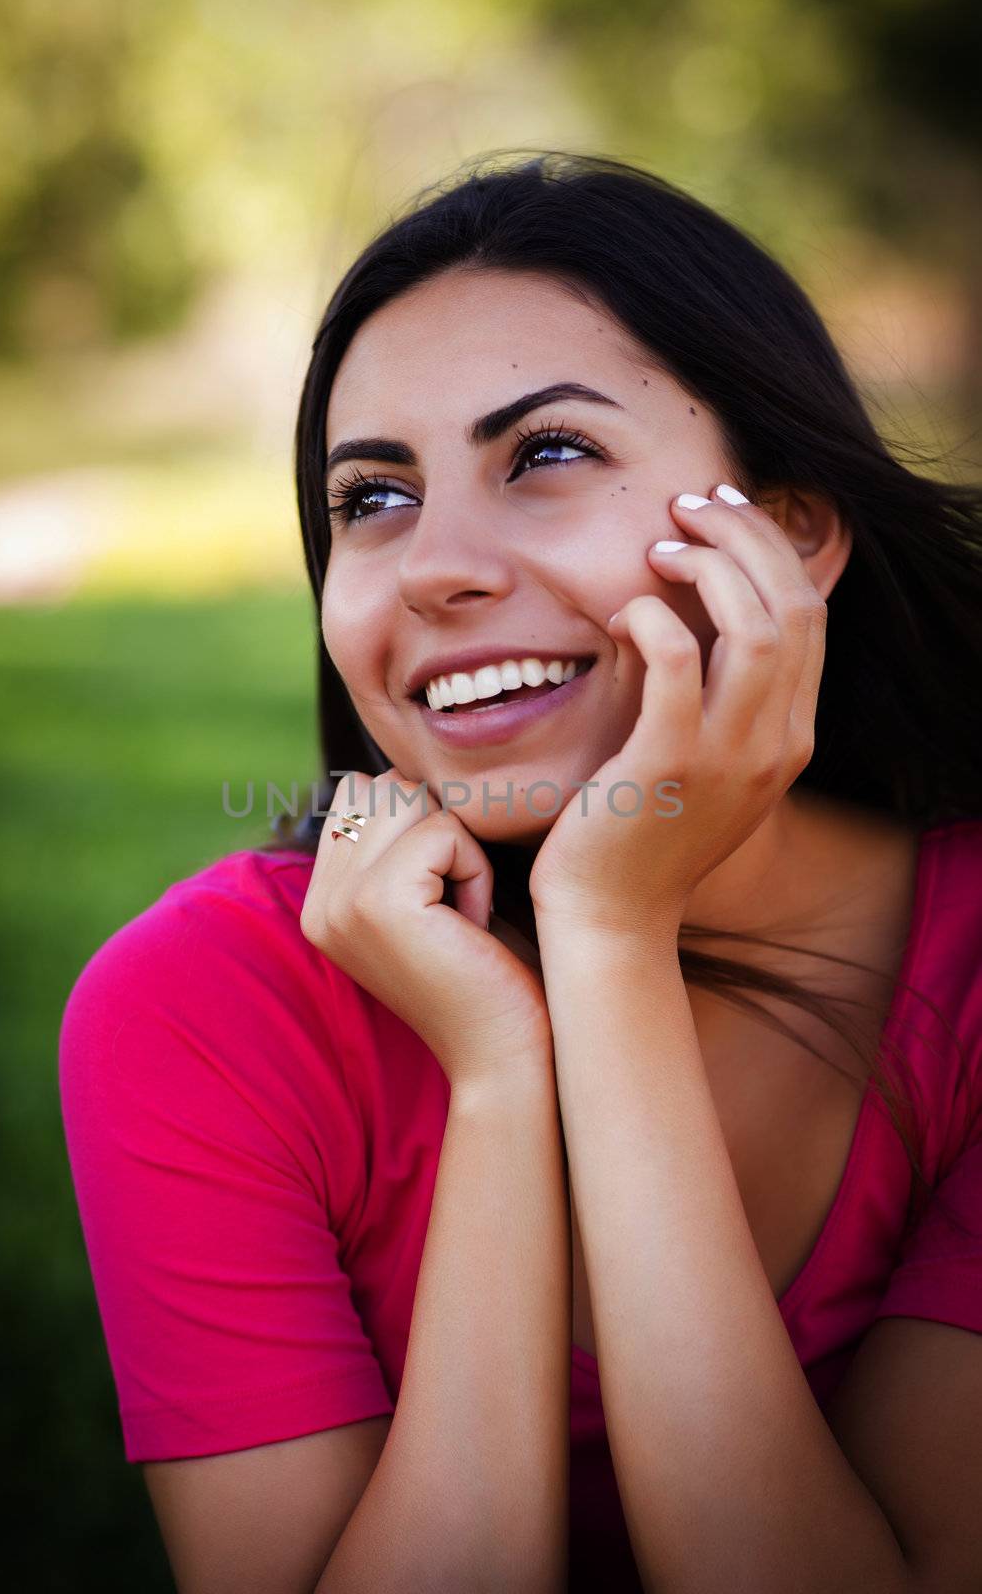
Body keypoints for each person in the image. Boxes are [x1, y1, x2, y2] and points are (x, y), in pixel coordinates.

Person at [59, 152, 982, 1593]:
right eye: (371, 499)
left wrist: (610, 938)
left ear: (791, 535)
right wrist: (497, 1069)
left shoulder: (970, 958)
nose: (435, 567)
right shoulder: (202, 1006)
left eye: (546, 455)